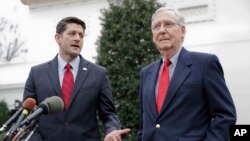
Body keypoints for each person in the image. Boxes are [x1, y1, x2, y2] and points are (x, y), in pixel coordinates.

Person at [23, 16, 130, 141]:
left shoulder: (98, 73)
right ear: (58, 38)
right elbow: (27, 115)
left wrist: (112, 131)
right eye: (72, 33)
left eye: (81, 35)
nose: (77, 38)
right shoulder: (37, 73)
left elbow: (109, 114)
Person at [138, 7, 236, 141]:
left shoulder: (205, 64)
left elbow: (225, 115)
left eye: (168, 24)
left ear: (182, 31)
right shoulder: (146, 73)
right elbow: (145, 122)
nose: (161, 30)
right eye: (156, 26)